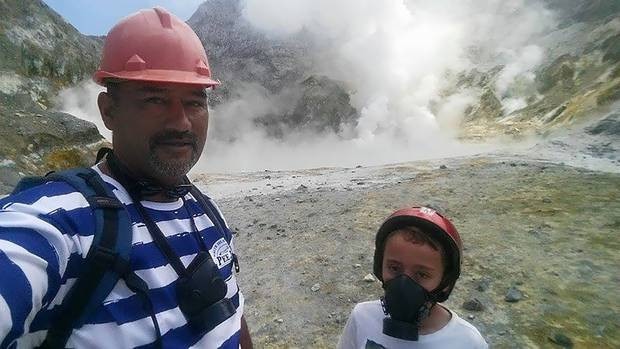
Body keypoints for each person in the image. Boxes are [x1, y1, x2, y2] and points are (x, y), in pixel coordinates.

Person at [0, 7, 252, 349]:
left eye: (194, 102)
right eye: (155, 100)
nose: (181, 123)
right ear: (108, 111)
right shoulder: (61, 220)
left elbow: (232, 315)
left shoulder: (208, 212)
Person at [338, 206, 487, 348]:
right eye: (394, 268)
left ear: (446, 281)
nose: (403, 285)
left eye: (422, 274)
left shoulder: (468, 342)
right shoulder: (362, 318)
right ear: (379, 266)